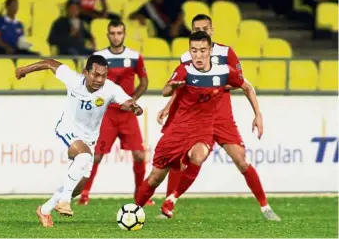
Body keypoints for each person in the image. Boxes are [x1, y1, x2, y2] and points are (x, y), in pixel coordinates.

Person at [157, 14, 281, 221]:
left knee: (241, 160)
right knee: (179, 159)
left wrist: (258, 114)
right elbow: (182, 88)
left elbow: (244, 84)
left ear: (212, 30)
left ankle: (265, 206)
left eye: (206, 28)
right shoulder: (186, 57)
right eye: (197, 28)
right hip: (195, 117)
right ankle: (169, 205)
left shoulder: (226, 52)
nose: (202, 31)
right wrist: (168, 106)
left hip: (221, 116)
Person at [15, 55, 143, 228]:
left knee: (78, 187)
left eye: (104, 75)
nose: (100, 79)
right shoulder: (73, 80)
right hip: (67, 130)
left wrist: (134, 107)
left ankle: (45, 210)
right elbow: (49, 63)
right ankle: (64, 201)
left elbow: (128, 101)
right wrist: (24, 70)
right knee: (83, 157)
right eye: (95, 75)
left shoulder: (110, 89)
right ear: (85, 73)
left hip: (89, 140)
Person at [135, 31, 245, 215]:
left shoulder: (224, 71)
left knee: (199, 156)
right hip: (178, 130)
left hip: (203, 129)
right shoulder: (184, 70)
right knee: (155, 178)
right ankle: (134, 209)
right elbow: (165, 91)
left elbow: (244, 84)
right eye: (194, 50)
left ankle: (171, 199)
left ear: (210, 50)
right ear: (190, 51)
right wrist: (173, 87)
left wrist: (255, 111)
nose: (198, 55)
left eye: (203, 50)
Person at [77, 19, 154, 206]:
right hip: (106, 113)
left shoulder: (135, 57)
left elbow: (144, 82)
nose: (116, 36)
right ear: (108, 35)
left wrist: (132, 100)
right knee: (96, 155)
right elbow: (85, 81)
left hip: (127, 113)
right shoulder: (98, 56)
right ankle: (84, 194)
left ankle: (140, 194)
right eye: (112, 33)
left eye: (119, 33)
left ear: (124, 34)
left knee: (139, 155)